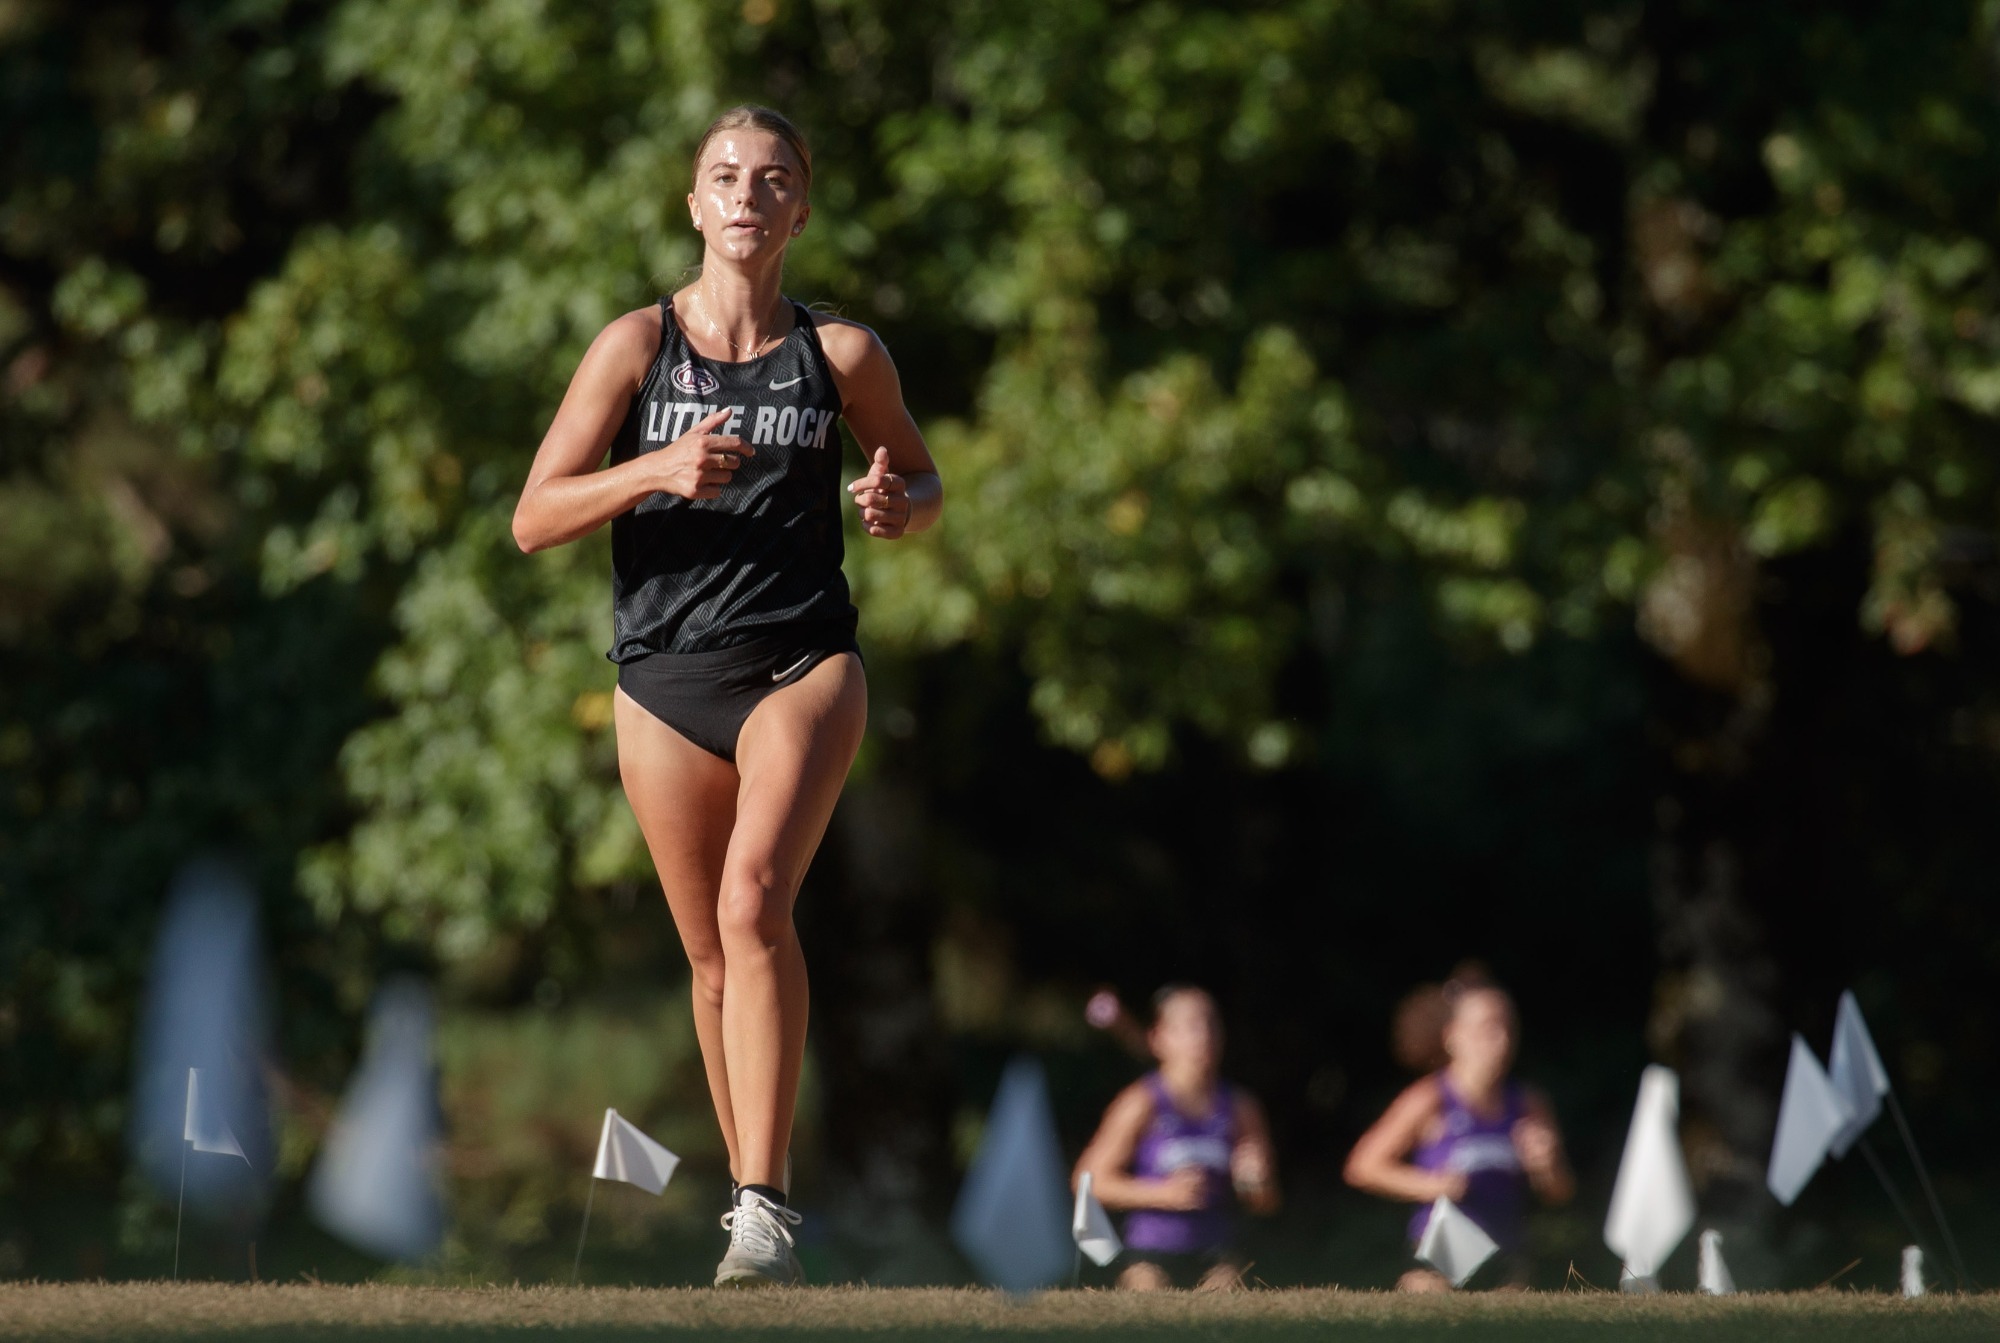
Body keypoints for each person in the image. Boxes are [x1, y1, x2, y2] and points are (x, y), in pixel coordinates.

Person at [511, 105, 941, 1286]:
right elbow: (532, 516)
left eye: (772, 178)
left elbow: (916, 468)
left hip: (799, 663)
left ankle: (763, 1211)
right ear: (693, 206)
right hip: (659, 679)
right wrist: (653, 466)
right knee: (710, 956)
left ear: (800, 208)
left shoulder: (841, 353)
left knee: (756, 904)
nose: (747, 194)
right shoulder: (634, 348)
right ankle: (749, 1195)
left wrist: (902, 503)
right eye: (724, 176)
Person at [1343, 973, 1574, 1290]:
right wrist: (1431, 1185)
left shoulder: (1527, 1104)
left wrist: (1545, 1167)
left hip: (1505, 1260)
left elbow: (1559, 1193)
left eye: (1508, 1026)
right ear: (1453, 1036)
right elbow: (1362, 1166)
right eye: (1487, 1028)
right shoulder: (1430, 1099)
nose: (1501, 1039)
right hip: (1441, 1259)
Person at [1073, 986, 1280, 1291]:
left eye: (1211, 1023)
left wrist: (1253, 1181)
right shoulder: (1141, 1102)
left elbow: (1266, 1204)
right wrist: (1161, 1193)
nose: (1204, 1035)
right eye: (1190, 1026)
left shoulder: (1240, 1107)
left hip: (1216, 1252)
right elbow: (1086, 1181)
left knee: (1226, 1292)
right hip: (1149, 1253)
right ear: (1159, 1039)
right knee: (1149, 1295)